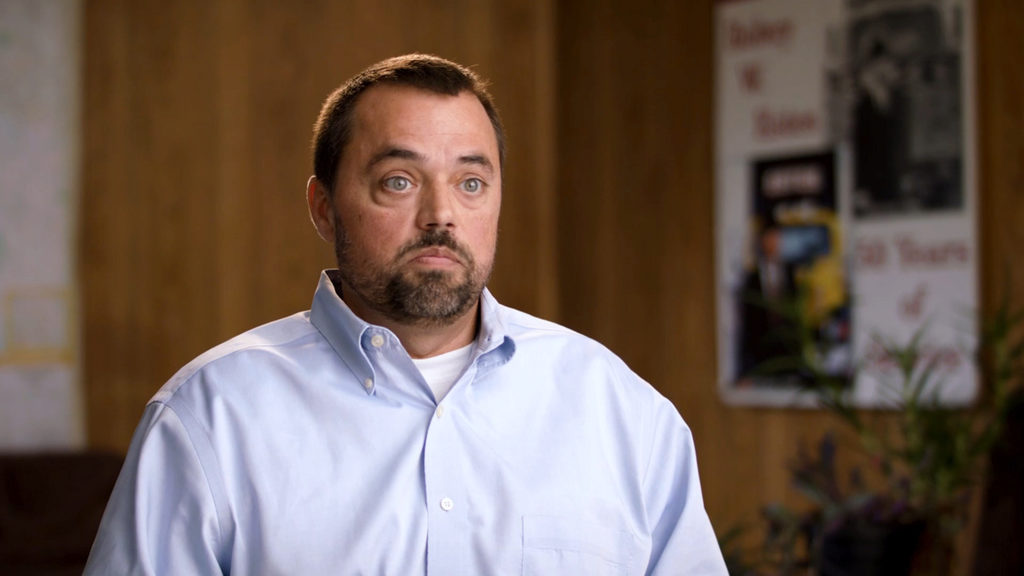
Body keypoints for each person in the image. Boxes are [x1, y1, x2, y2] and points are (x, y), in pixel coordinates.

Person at [84, 54, 727, 575]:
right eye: (399, 180)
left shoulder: (620, 410)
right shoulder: (210, 417)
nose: (441, 215)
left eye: (471, 183)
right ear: (324, 208)